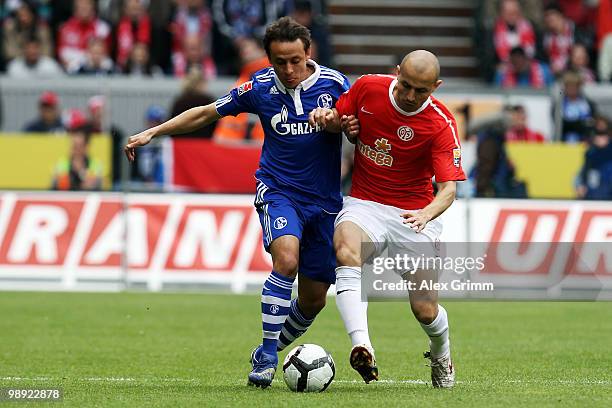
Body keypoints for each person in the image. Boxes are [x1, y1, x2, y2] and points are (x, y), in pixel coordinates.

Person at [124, 16, 357, 388]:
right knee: (286, 259)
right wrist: (153, 131)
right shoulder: (259, 87)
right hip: (278, 191)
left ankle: (272, 346)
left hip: (325, 203)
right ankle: (266, 356)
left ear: (308, 53)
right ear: (268, 59)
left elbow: (357, 124)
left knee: (314, 300)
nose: (289, 69)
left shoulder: (335, 84)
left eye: (295, 60)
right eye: (280, 62)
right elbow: (204, 113)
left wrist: (345, 124)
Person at [309, 50, 466, 388]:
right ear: (396, 72)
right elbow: (339, 117)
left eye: (420, 90)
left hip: (414, 214)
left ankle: (441, 353)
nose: (410, 96)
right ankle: (362, 345)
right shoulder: (368, 88)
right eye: (405, 85)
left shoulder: (441, 123)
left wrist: (426, 214)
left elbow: (448, 190)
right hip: (365, 202)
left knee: (425, 309)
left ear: (436, 86)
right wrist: (329, 117)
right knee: (346, 250)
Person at [52, 109, 103, 191]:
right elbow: (58, 186)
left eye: (79, 146)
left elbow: (95, 186)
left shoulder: (95, 164)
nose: (75, 150)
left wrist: (81, 174)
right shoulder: (62, 163)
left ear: (86, 147)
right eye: (74, 146)